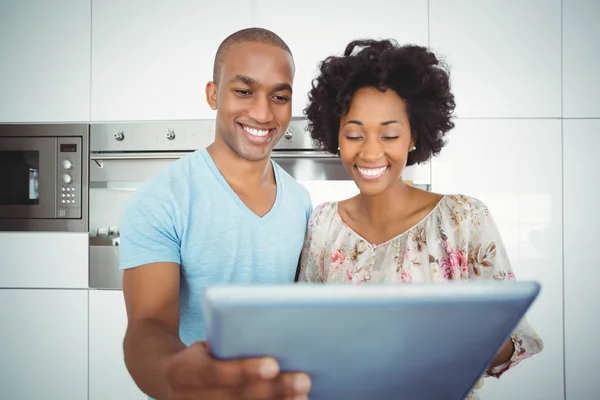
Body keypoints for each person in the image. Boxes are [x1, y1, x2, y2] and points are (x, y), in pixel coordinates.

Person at [298, 38, 544, 399]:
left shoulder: (463, 219)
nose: (369, 151)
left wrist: (467, 337)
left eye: (390, 134)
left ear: (414, 136)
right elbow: (303, 336)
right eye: (354, 134)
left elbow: (517, 341)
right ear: (336, 136)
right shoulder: (323, 225)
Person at [119, 27, 313, 400]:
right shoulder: (161, 200)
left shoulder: (301, 201)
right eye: (243, 91)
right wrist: (182, 379)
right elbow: (147, 328)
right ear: (213, 94)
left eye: (279, 96)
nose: (262, 112)